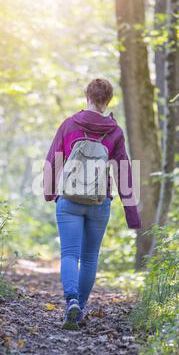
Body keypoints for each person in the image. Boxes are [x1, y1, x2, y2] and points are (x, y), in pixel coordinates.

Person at [43, 78, 141, 330]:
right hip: (100, 202)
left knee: (69, 254)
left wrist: (49, 191)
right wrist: (132, 215)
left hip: (69, 199)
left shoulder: (69, 124)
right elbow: (124, 173)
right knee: (88, 258)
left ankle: (71, 302)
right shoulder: (114, 131)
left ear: (87, 95)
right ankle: (79, 310)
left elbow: (52, 160)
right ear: (108, 100)